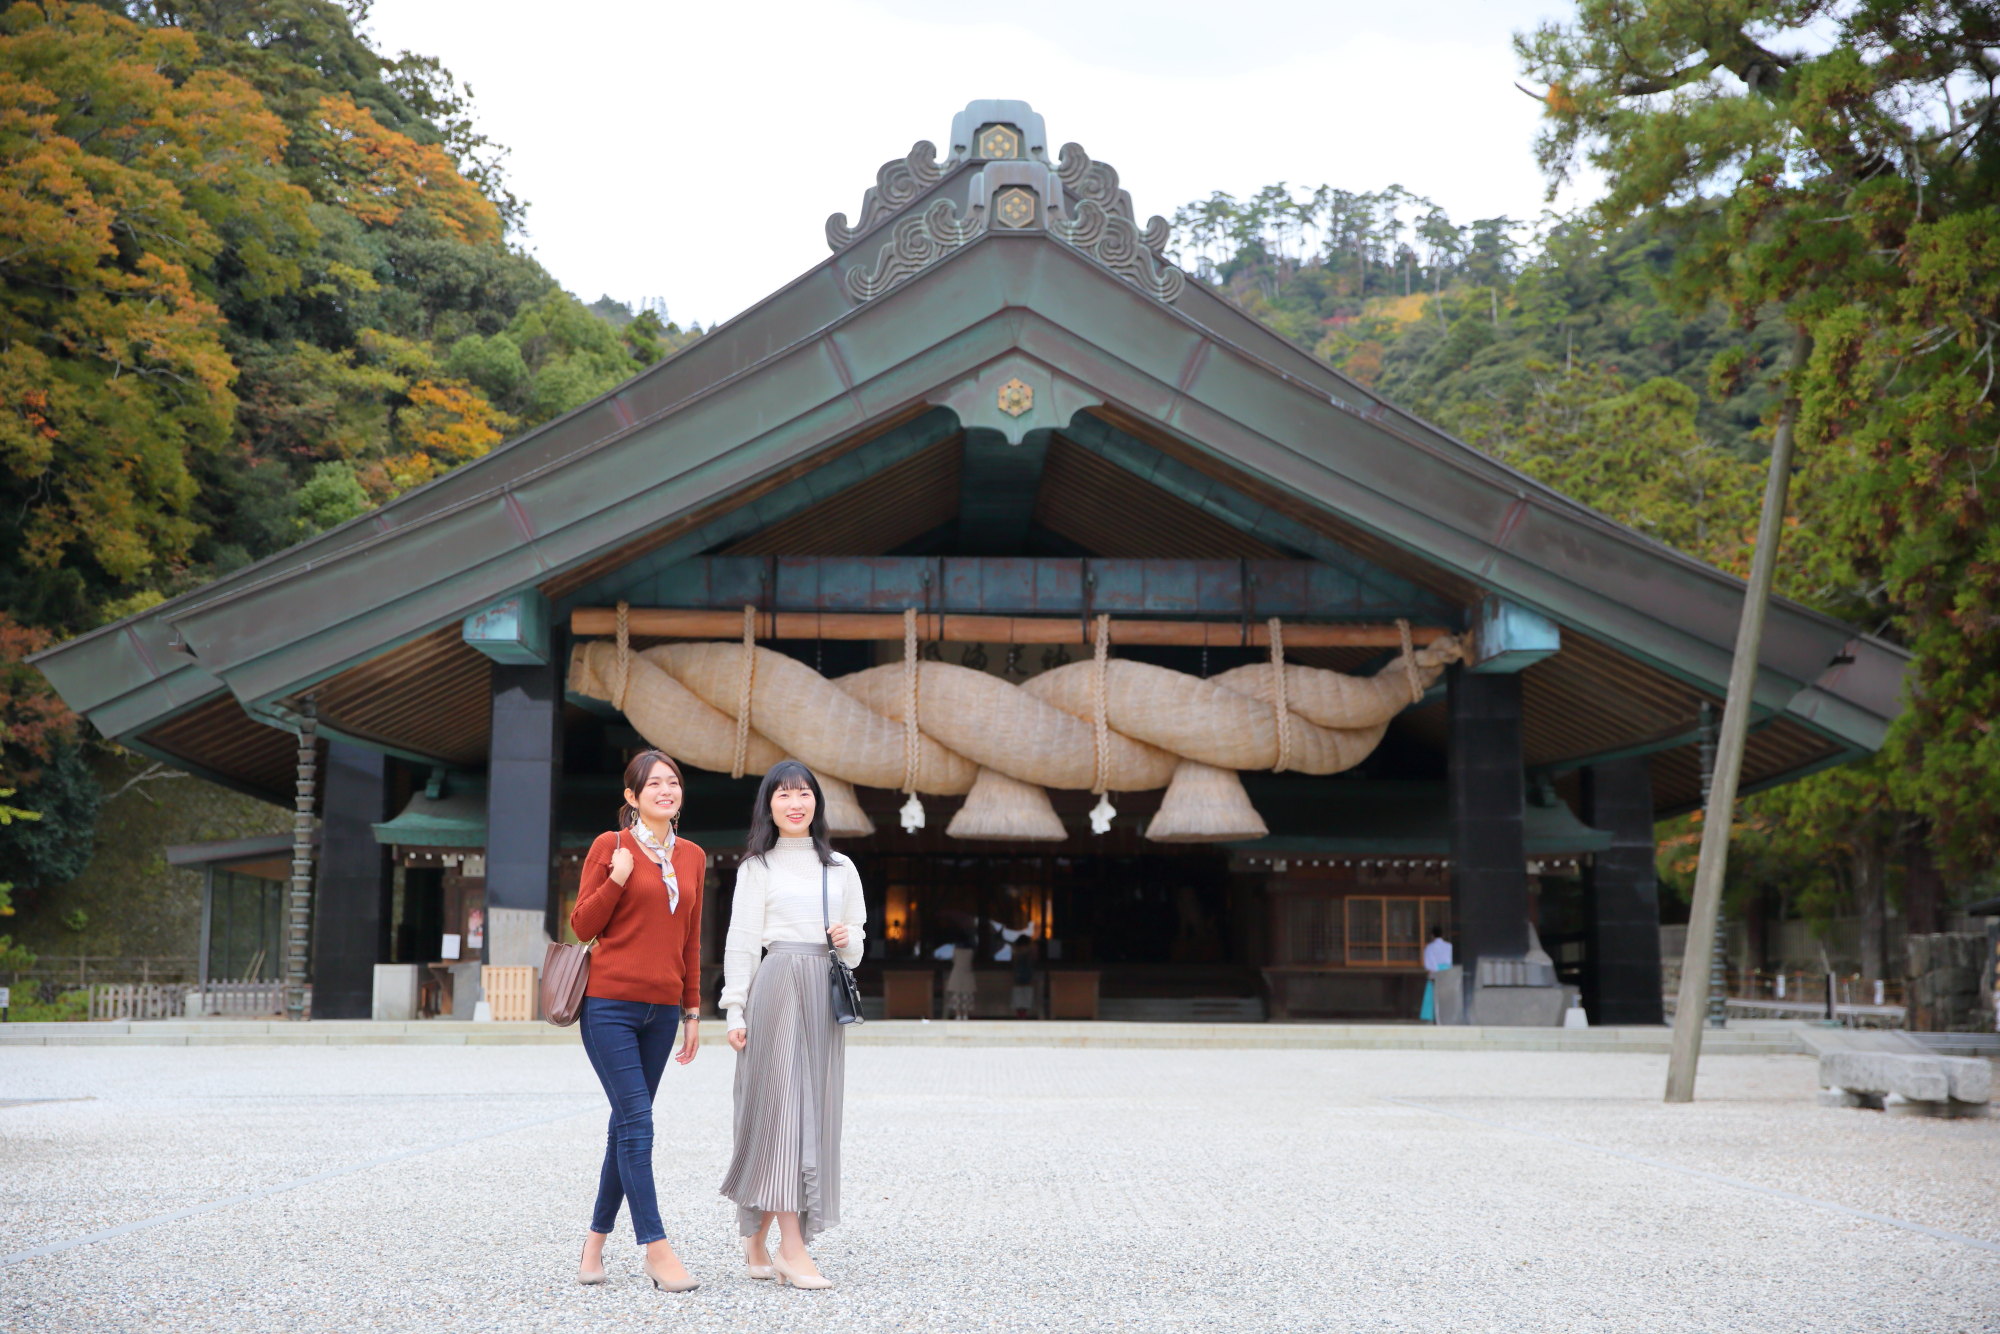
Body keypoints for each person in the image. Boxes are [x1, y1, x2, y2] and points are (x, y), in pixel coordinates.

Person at [719, 760, 867, 1290]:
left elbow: (856, 948)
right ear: (769, 805)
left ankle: (757, 1237)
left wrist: (847, 938)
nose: (795, 802)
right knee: (782, 1113)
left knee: (811, 1114)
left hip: (822, 992)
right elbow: (741, 942)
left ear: (816, 802)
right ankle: (792, 1249)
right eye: (783, 794)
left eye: (803, 793)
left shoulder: (841, 867)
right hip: (776, 985)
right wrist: (735, 1008)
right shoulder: (756, 867)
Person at [570, 750, 704, 1293]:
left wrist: (692, 1010)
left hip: (664, 1011)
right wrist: (618, 880)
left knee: (625, 1125)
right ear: (632, 796)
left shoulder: (692, 856)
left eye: (673, 782)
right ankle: (656, 1248)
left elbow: (691, 939)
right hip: (609, 1006)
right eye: (654, 784)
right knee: (639, 1125)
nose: (666, 791)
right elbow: (582, 926)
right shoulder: (611, 846)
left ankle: (594, 1242)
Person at [1420, 926, 1453, 1023]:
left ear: (1432, 935)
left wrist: (1433, 971)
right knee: (1447, 995)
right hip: (1447, 971)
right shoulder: (1449, 946)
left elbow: (1429, 962)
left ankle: (1431, 1017)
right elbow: (1451, 960)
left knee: (1432, 996)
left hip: (1435, 970)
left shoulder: (1430, 947)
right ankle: (1447, 1016)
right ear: (1442, 935)